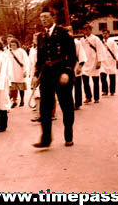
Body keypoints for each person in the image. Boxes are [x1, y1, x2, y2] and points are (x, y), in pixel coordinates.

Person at [32, 11, 77, 148]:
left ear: (53, 18)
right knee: (45, 107)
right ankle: (46, 138)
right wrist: (36, 75)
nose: (43, 20)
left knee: (66, 105)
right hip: (46, 75)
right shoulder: (41, 36)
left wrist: (67, 72)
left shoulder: (63, 33)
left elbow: (72, 54)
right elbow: (40, 59)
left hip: (61, 73)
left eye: (46, 17)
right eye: (41, 18)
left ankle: (68, 135)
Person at [6, 38, 29, 108]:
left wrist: (25, 70)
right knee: (13, 87)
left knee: (21, 86)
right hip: (11, 71)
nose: (13, 46)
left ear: (17, 45)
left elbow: (26, 61)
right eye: (11, 45)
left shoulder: (21, 51)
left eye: (14, 45)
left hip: (20, 70)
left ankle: (22, 100)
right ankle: (14, 101)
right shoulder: (8, 52)